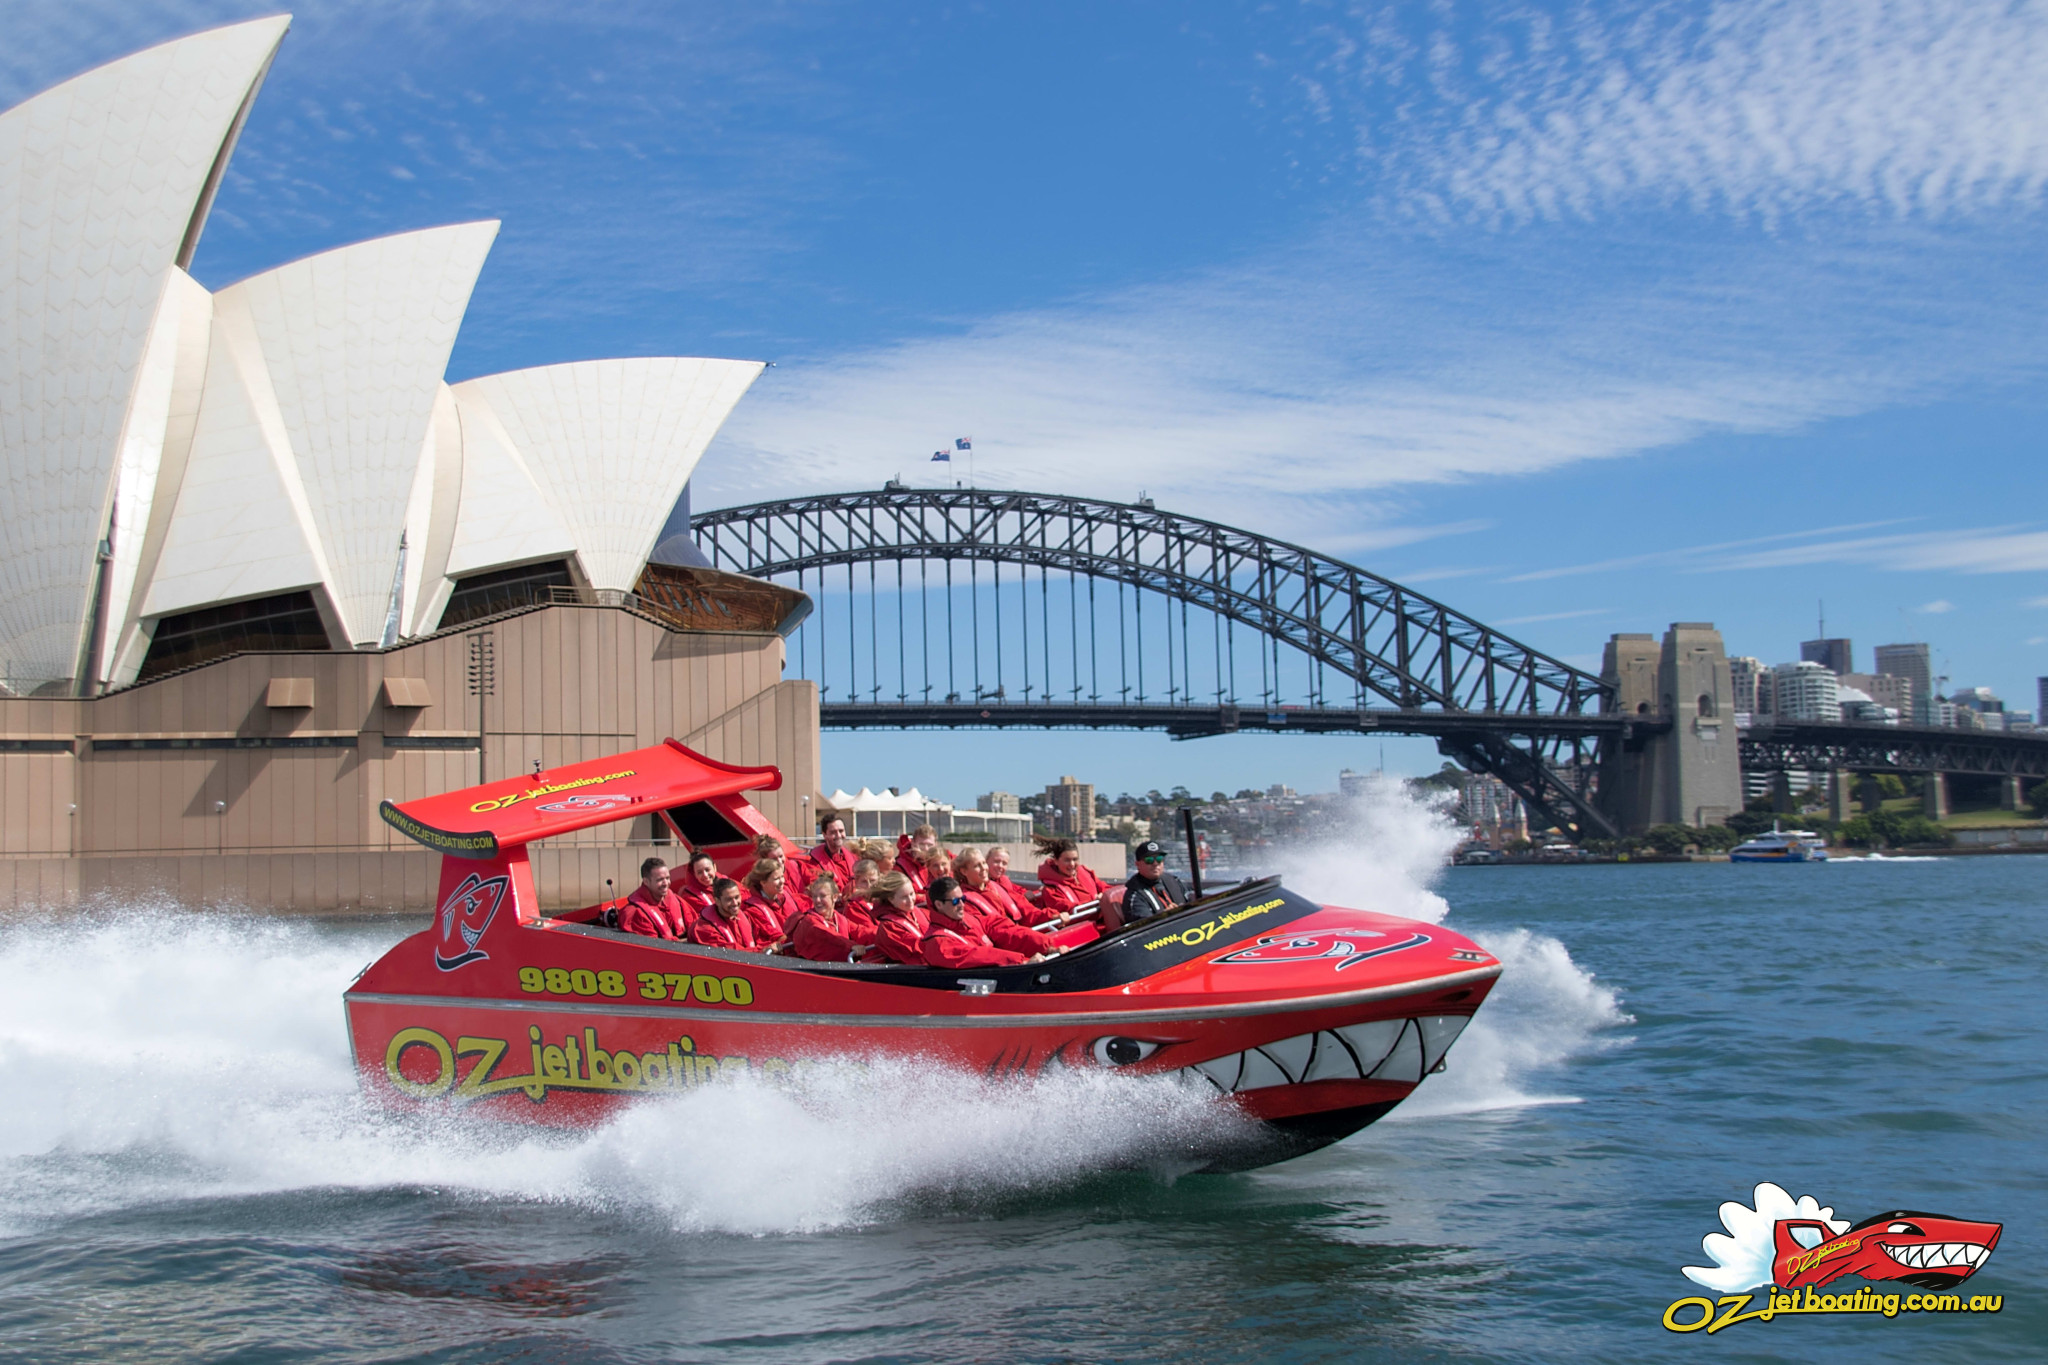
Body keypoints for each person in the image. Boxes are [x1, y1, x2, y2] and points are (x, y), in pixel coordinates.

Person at [921, 876, 1055, 968]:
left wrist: (1046, 946)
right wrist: (1021, 962)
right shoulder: (938, 943)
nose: (962, 904)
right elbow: (976, 956)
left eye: (963, 899)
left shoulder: (971, 919)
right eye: (956, 901)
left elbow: (1005, 930)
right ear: (939, 905)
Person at [785, 874, 878, 962]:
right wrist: (852, 947)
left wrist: (882, 934)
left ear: (835, 897)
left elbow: (860, 931)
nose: (817, 900)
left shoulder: (838, 918)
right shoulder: (809, 922)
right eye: (815, 896)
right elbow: (830, 938)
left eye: (822, 896)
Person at [955, 847, 1051, 931]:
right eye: (977, 866)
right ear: (964, 871)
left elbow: (1025, 908)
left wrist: (1052, 915)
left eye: (983, 863)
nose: (983, 868)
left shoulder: (996, 887)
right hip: (1007, 940)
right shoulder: (965, 902)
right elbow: (994, 931)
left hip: (1018, 932)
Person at [1116, 839, 1189, 928]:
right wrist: (1164, 917)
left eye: (1159, 859)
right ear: (1138, 864)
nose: (1155, 864)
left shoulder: (1175, 881)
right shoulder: (1134, 896)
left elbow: (1193, 900)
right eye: (1149, 860)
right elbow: (1143, 929)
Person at [1032, 835, 1106, 918]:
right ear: (1056, 861)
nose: (1072, 864)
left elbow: (1105, 887)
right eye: (1067, 860)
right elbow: (1067, 909)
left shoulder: (1086, 873)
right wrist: (1096, 903)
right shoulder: (1051, 890)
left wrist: (1104, 895)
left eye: (1075, 859)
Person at [864, 871, 928, 965]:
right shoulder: (889, 927)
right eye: (904, 897)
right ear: (891, 899)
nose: (910, 900)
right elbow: (916, 951)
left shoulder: (919, 912)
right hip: (911, 972)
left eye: (911, 894)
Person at [617, 856, 686, 938]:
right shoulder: (636, 914)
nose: (666, 883)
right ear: (646, 881)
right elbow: (652, 946)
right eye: (660, 880)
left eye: (667, 878)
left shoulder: (677, 901)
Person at [741, 858, 801, 946]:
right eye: (777, 878)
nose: (782, 881)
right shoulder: (754, 910)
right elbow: (773, 935)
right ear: (763, 883)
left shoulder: (784, 897)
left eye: (782, 877)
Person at [985, 846, 1053, 924]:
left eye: (1004, 863)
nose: (1000, 866)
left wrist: (1031, 892)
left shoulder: (1003, 880)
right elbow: (1021, 905)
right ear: (986, 861)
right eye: (996, 861)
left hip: (1027, 917)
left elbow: (1016, 889)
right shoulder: (985, 886)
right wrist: (1050, 915)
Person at [688, 877, 758, 951]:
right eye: (729, 899)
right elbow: (730, 954)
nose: (735, 903)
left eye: (737, 897)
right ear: (717, 901)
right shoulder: (704, 929)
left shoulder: (745, 917)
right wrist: (761, 951)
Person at [800, 816, 858, 893]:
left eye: (841, 831)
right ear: (824, 835)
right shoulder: (813, 862)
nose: (838, 835)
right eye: (833, 832)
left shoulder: (855, 857)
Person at [837, 858, 882, 941]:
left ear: (879, 878)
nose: (869, 886)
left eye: (873, 881)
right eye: (864, 882)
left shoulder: (885, 899)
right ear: (857, 882)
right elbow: (867, 933)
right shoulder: (853, 907)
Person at [674, 849, 719, 920]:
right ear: (694, 874)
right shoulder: (690, 896)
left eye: (707, 870)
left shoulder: (727, 883)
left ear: (714, 867)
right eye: (699, 872)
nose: (705, 875)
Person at [895, 824, 940, 894]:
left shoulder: (940, 860)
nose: (926, 849)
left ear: (936, 845)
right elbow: (899, 894)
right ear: (913, 843)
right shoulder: (900, 865)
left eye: (930, 845)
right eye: (921, 845)